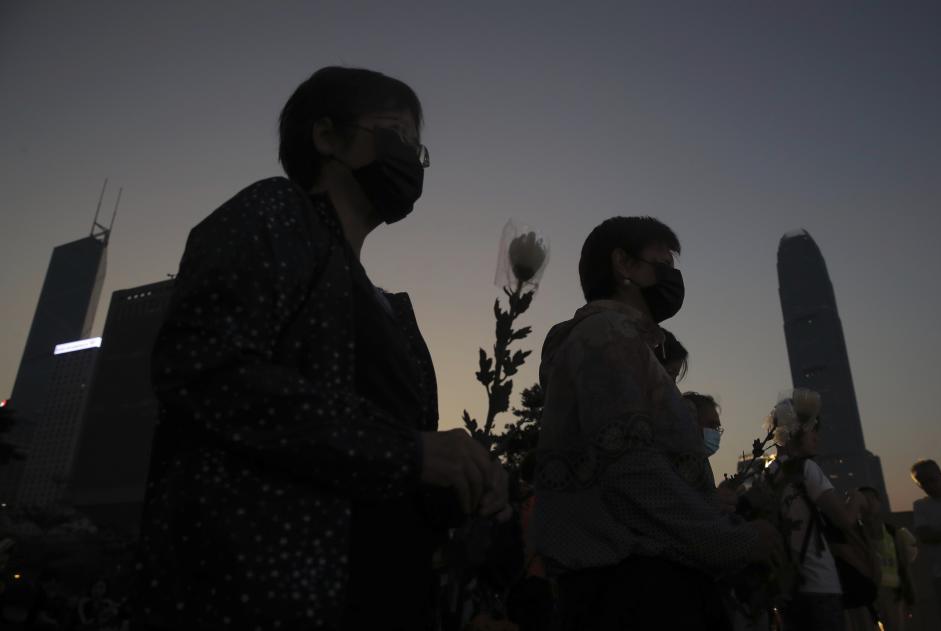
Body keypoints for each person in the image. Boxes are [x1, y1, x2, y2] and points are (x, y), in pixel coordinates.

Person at [134, 66, 509, 630]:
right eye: (396, 133)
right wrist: (407, 452)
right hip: (266, 600)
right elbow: (203, 368)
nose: (410, 156)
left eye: (417, 145)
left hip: (385, 596)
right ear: (327, 137)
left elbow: (393, 465)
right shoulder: (275, 212)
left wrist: (467, 482)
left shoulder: (393, 311)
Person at [531, 216, 781, 631]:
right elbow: (632, 472)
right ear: (623, 266)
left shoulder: (625, 343)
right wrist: (734, 540)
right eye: (662, 263)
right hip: (640, 589)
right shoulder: (607, 334)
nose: (672, 277)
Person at [764, 389, 868, 631]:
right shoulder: (806, 469)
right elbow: (844, 520)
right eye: (813, 429)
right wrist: (857, 500)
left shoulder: (768, 473)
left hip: (788, 585)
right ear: (796, 430)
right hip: (820, 582)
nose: (817, 436)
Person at [843, 487, 916, 631]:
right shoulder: (852, 535)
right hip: (866, 594)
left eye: (871, 500)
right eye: (863, 501)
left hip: (892, 594)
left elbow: (904, 567)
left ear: (879, 502)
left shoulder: (894, 534)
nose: (868, 505)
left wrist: (910, 596)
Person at [911, 459, 941, 631]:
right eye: (924, 483)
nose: (929, 485)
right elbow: (925, 536)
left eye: (932, 480)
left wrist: (939, 535)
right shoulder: (921, 506)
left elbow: (930, 535)